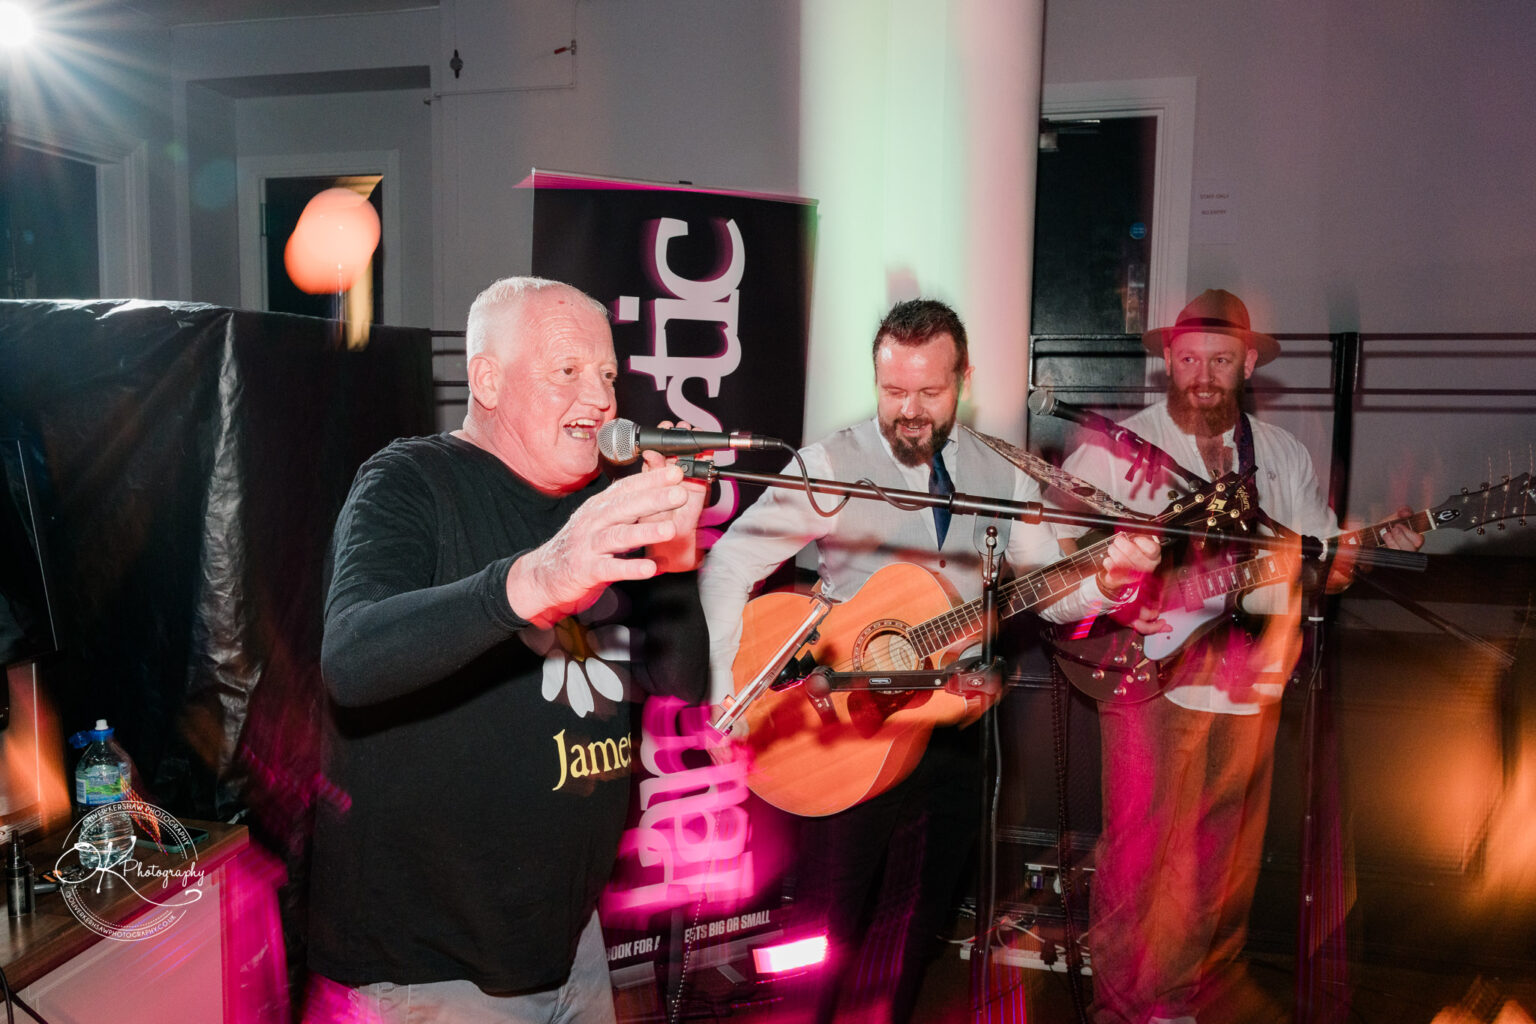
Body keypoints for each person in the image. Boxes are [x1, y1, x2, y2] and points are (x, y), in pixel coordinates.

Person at [698, 298, 1159, 1024]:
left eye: (929, 392)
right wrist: (732, 688)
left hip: (954, 732)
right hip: (845, 728)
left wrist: (1111, 576)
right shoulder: (831, 463)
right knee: (827, 930)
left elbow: (1051, 593)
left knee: (912, 933)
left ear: (963, 380)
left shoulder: (1003, 472)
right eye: (893, 392)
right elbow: (727, 566)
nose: (908, 411)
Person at [307, 276, 709, 1024]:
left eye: (608, 375)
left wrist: (679, 561)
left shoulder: (599, 503)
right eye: (568, 371)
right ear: (487, 379)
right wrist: (535, 580)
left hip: (569, 941)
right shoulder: (409, 480)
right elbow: (352, 659)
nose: (600, 398)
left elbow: (680, 687)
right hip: (432, 969)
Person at [1056, 289, 1423, 1024]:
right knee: (1138, 854)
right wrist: (1124, 596)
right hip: (1146, 674)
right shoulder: (1116, 449)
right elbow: (1059, 558)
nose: (1202, 374)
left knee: (1214, 857)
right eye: (1189, 358)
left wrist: (1371, 541)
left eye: (1220, 360)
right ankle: (1121, 1009)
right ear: (1167, 360)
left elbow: (1313, 556)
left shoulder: (1280, 454)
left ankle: (1179, 998)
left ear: (1247, 363)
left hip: (1243, 681)